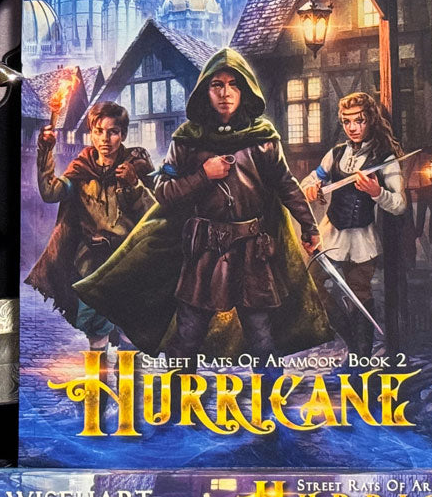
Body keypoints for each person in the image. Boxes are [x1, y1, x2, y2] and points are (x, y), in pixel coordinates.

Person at [75, 49, 332, 358]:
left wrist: (309, 226)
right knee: (187, 336)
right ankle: (179, 391)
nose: (225, 93)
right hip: (204, 251)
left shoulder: (262, 137)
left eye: (233, 84)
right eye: (217, 85)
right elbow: (164, 192)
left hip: (251, 250)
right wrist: (203, 176)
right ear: (205, 90)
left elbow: (286, 184)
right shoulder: (188, 139)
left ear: (244, 89)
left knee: (261, 337)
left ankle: (267, 390)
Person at [25, 101, 154, 368]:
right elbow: (50, 192)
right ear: (91, 133)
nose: (105, 139)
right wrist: (45, 151)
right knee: (96, 333)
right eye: (99, 131)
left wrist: (134, 184)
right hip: (92, 263)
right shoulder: (81, 170)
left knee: (129, 333)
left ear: (123, 134)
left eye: (113, 132)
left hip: (128, 262)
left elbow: (152, 213)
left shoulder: (136, 166)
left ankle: (128, 389)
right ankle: (98, 389)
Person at [301, 91, 407, 356]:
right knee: (312, 286)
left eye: (359, 121)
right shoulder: (336, 154)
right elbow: (311, 180)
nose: (353, 127)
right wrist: (311, 187)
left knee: (359, 295)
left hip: (362, 238)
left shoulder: (385, 159)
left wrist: (376, 192)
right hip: (331, 234)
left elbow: (399, 204)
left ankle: (361, 355)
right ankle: (350, 341)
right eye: (347, 121)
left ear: (370, 120)